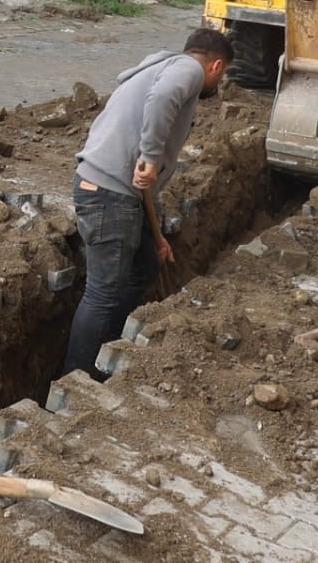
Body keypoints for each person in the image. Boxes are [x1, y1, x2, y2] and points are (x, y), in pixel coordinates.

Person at [62, 28, 232, 380]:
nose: (219, 79)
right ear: (216, 65)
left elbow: (144, 186)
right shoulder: (188, 71)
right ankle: (74, 381)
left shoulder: (158, 67)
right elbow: (163, 100)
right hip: (107, 194)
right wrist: (152, 156)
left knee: (146, 265)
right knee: (102, 292)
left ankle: (109, 347)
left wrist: (158, 238)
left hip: (117, 194)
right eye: (224, 72)